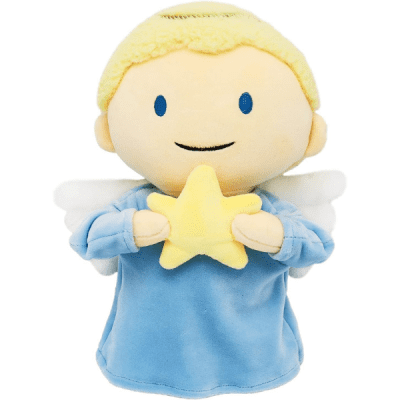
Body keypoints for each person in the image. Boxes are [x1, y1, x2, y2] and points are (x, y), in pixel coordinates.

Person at [70, 2, 334, 397]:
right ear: (108, 130)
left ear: (311, 133)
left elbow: (317, 245)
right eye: (160, 106)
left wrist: (278, 235)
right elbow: (86, 238)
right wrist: (132, 228)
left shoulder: (266, 208)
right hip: (143, 357)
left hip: (254, 359)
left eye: (246, 104)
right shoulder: (140, 204)